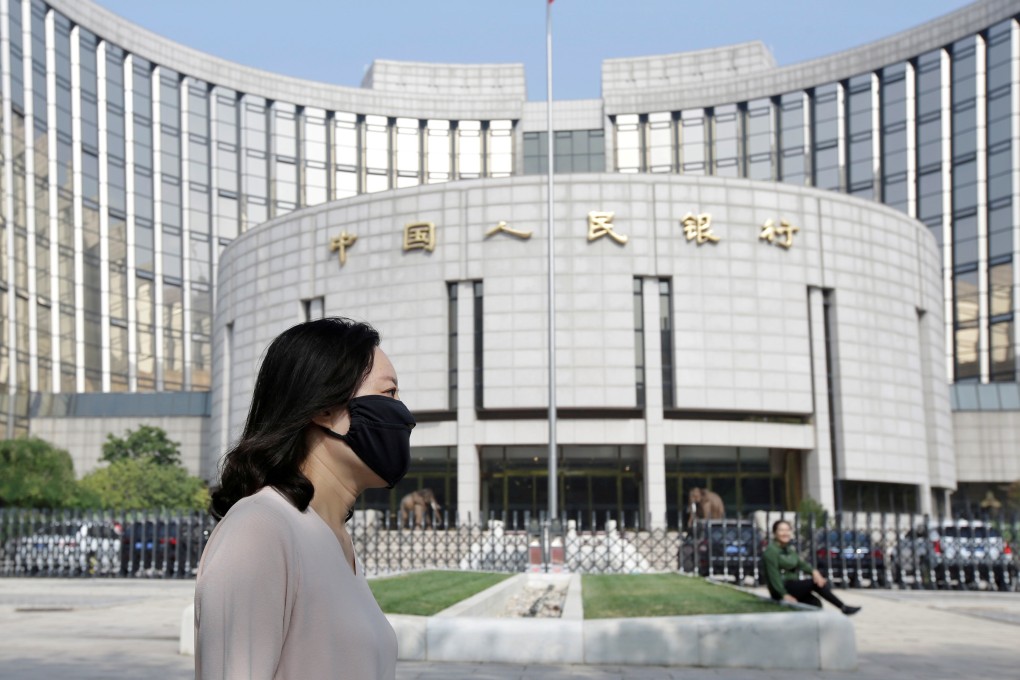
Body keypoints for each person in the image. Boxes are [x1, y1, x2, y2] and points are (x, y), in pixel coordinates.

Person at [194, 317, 416, 679]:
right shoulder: (260, 528)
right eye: (389, 393)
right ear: (323, 407)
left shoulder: (334, 540)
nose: (404, 415)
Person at [761, 519, 861, 616]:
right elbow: (773, 577)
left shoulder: (789, 549)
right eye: (781, 530)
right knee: (814, 583)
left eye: (787, 530)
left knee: (815, 603)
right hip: (782, 587)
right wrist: (783, 595)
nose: (785, 533)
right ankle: (843, 607)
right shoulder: (771, 552)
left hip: (793, 585)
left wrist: (814, 572)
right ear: (775, 533)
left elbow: (801, 564)